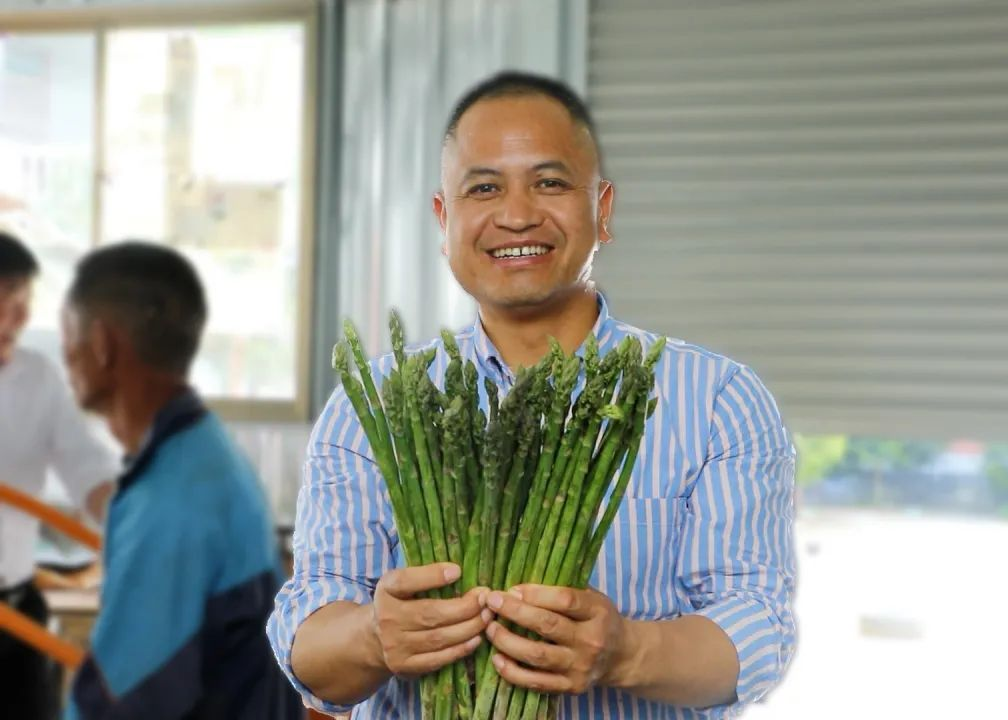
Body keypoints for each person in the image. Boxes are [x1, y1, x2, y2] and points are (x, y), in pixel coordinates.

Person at [269, 72, 797, 719]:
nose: (517, 215)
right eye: (484, 187)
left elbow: (757, 628)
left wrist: (628, 652)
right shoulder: (372, 406)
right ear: (444, 219)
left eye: (549, 183)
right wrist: (372, 637)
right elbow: (309, 641)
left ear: (603, 209)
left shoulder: (718, 400)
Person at [59, 241, 304, 720]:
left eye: (70, 336)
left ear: (103, 344)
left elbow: (123, 702)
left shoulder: (170, 500)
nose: (65, 356)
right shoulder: (202, 454)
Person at [0, 231, 118, 720]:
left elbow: (87, 467)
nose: (18, 317)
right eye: (4, 296)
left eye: (23, 299)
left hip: (15, 608)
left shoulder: (39, 378)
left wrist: (135, 522)